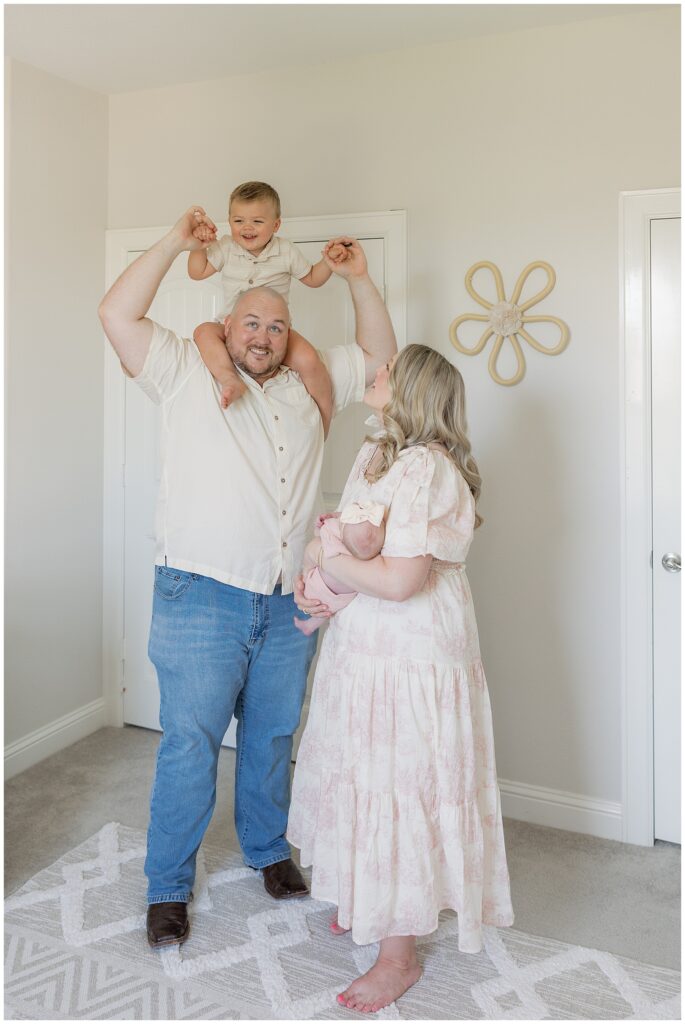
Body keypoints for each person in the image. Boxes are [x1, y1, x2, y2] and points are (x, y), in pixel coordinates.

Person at [97, 206, 397, 950]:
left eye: (275, 326)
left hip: (288, 598)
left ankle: (267, 851)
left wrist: (359, 279)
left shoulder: (309, 385)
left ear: (287, 337)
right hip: (199, 592)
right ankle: (167, 885)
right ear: (225, 330)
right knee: (190, 743)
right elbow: (116, 311)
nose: (261, 334)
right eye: (249, 323)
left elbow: (382, 357)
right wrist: (171, 240)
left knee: (270, 737)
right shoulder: (183, 375)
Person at [288, 345, 514, 1013]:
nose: (375, 373)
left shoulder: (428, 468)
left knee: (401, 781)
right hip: (365, 645)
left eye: (387, 371)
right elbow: (343, 540)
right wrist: (321, 569)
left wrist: (328, 558)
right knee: (361, 769)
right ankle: (370, 896)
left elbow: (399, 580)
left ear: (412, 388)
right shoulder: (374, 454)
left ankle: (398, 955)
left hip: (411, 650)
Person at [188, 180, 346, 433]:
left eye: (257, 222)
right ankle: (230, 380)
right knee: (203, 332)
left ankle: (324, 421)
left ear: (276, 224)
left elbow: (314, 279)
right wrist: (198, 246)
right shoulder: (226, 247)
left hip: (274, 330)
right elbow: (196, 272)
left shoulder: (286, 251)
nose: (247, 228)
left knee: (309, 359)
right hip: (230, 325)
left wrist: (328, 261)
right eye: (238, 221)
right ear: (229, 221)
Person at [293, 501, 386, 636]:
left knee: (317, 600)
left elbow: (319, 534)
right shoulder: (371, 554)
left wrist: (324, 523)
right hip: (345, 596)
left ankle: (310, 623)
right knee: (327, 610)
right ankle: (310, 625)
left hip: (316, 584)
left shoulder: (334, 535)